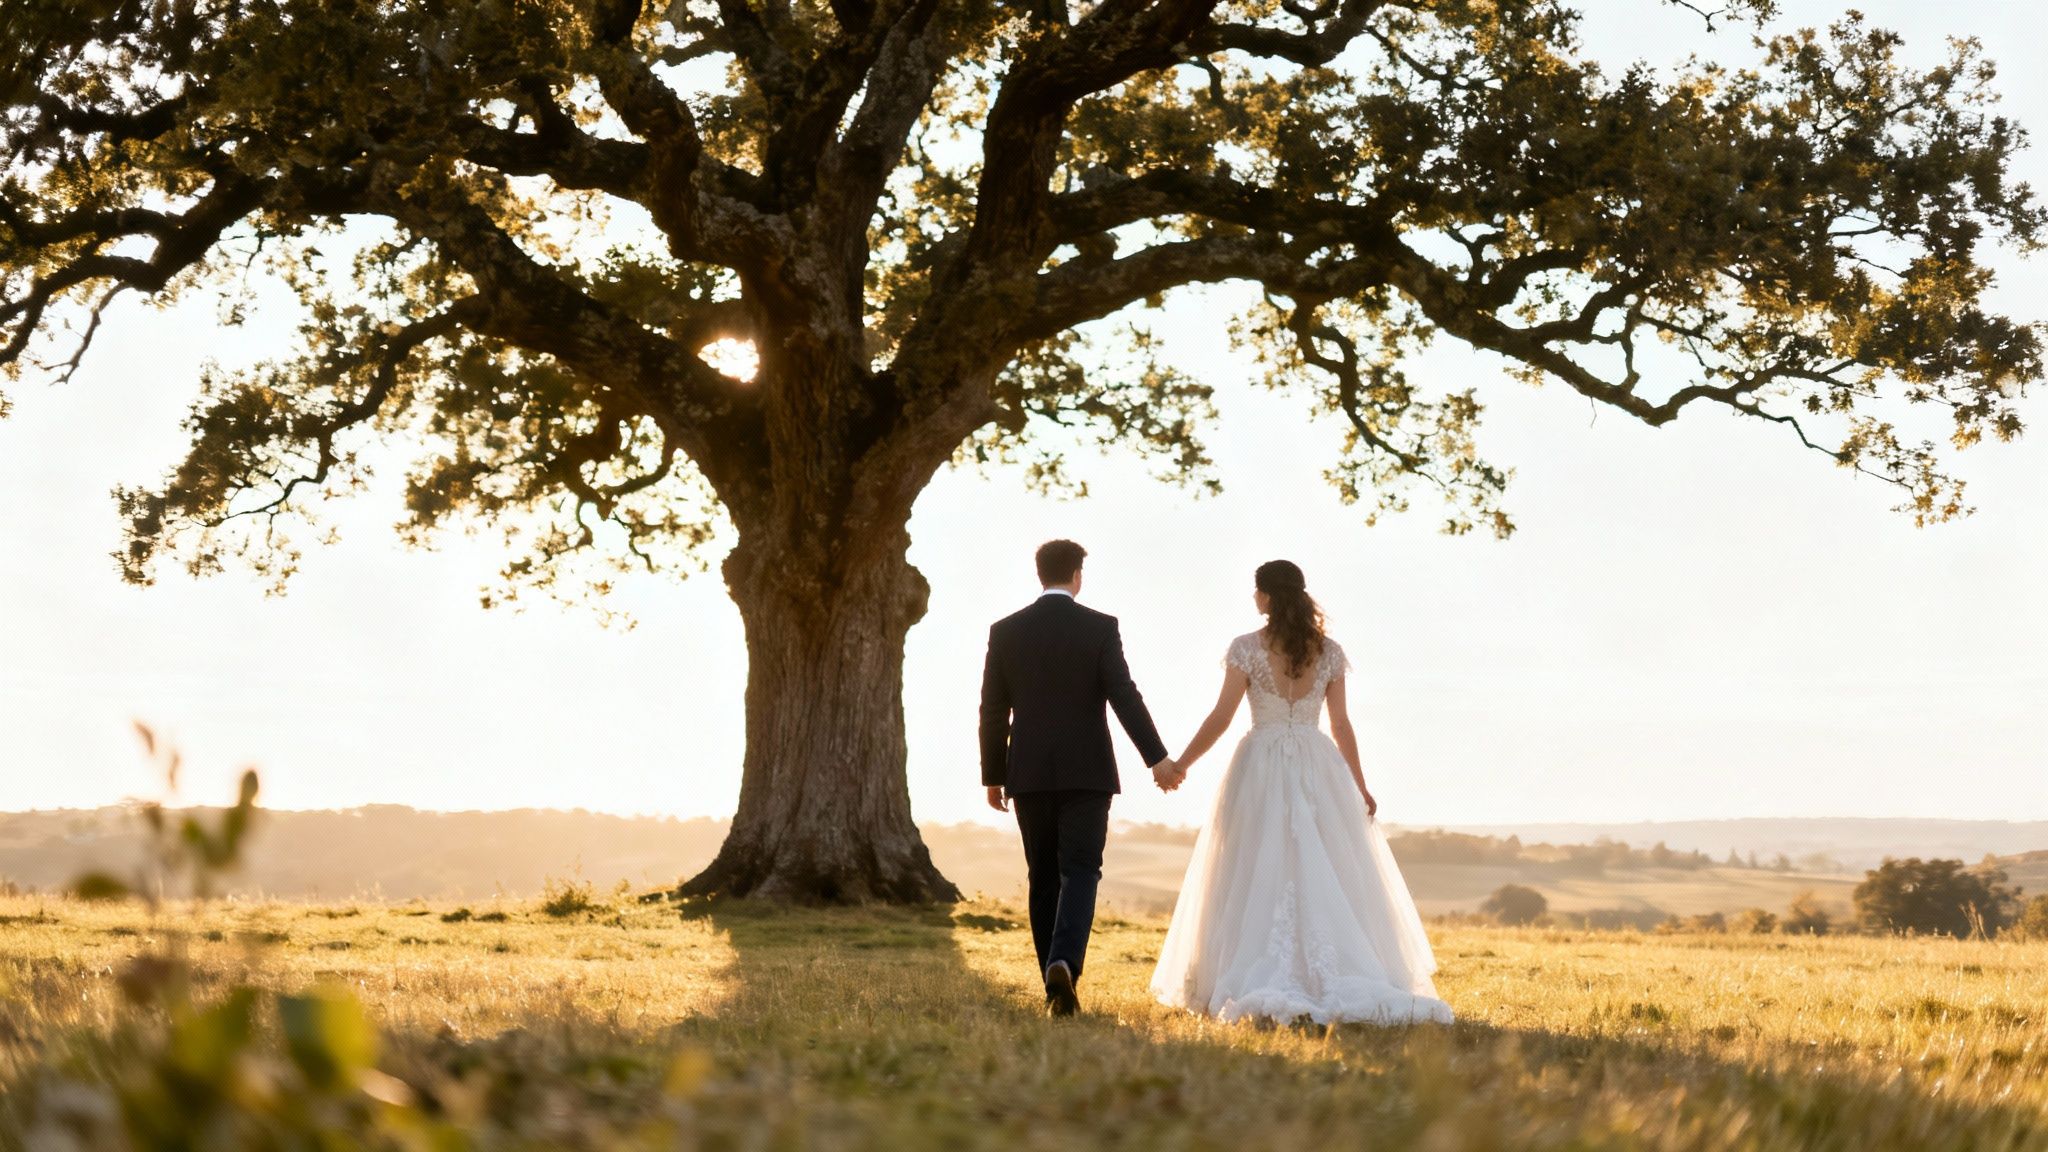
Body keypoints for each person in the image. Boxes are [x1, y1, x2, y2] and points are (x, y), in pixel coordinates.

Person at [1148, 559, 1453, 1025]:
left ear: (1266, 596)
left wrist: (1180, 765)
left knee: (1252, 863)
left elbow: (1221, 717)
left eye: (1256, 592)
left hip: (1260, 762)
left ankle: (1248, 965)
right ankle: (1330, 964)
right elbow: (1341, 724)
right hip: (1318, 762)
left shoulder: (1246, 648)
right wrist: (1358, 783)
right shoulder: (1327, 651)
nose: (1254, 599)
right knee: (1323, 860)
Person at [980, 539, 1179, 1017]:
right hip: (1087, 773)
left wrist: (993, 774)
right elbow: (1123, 695)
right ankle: (1064, 960)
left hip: (1026, 772)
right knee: (1081, 870)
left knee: (1042, 876)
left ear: (1038, 574)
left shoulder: (1005, 631)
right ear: (1077, 576)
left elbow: (993, 709)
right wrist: (1157, 759)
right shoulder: (1099, 627)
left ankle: (1054, 988)